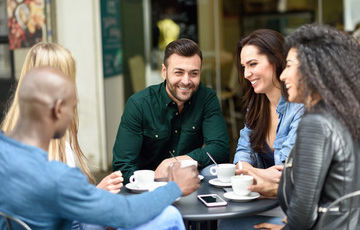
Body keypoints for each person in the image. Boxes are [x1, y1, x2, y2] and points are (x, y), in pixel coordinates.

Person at [0, 67, 200, 230]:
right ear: (58, 109)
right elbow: (127, 213)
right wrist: (174, 188)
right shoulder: (57, 178)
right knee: (170, 217)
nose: (72, 117)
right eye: (73, 107)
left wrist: (95, 199)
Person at [247, 23, 360, 229]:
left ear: (312, 69)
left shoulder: (316, 123)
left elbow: (302, 215)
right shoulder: (343, 115)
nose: (282, 76)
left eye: (289, 65)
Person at [1, 42, 123, 193]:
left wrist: (93, 194)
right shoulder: (54, 160)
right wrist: (96, 195)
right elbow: (66, 210)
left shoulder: (7, 143)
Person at [112, 38, 229, 182]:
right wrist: (154, 178)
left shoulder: (207, 98)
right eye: (178, 72)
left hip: (189, 185)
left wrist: (174, 162)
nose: (186, 81)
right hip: (147, 188)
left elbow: (220, 149)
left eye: (194, 73)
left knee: (212, 173)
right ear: (164, 71)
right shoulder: (139, 104)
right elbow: (121, 167)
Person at [233, 29, 304, 183]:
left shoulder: (300, 108)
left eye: (253, 64)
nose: (246, 74)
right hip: (260, 196)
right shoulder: (256, 106)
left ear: (277, 60)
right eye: (244, 67)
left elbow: (285, 173)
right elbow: (240, 158)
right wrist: (257, 172)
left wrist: (249, 171)